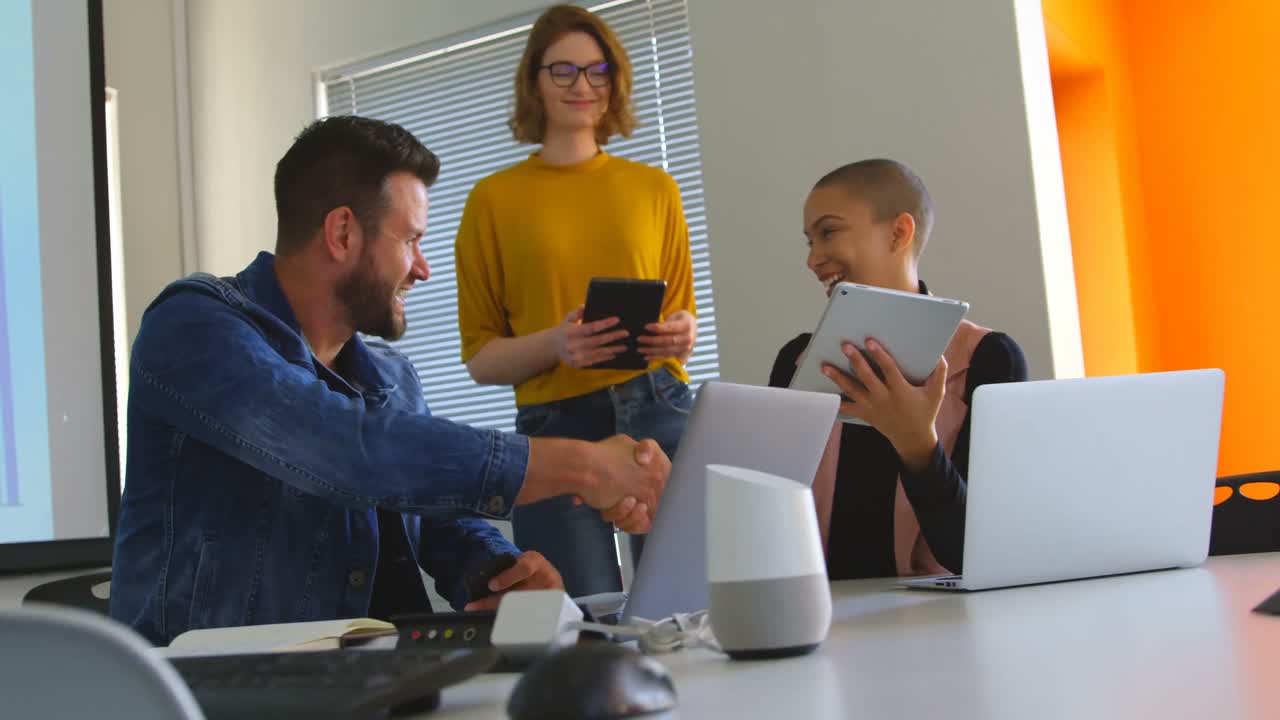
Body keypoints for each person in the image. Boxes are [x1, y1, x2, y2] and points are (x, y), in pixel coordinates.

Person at [110, 116, 669, 646]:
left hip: (378, 683)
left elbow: (438, 519)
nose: (423, 268)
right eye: (410, 241)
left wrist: (499, 572)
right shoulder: (192, 326)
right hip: (209, 695)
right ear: (343, 233)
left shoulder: (392, 376)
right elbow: (342, 447)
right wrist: (584, 465)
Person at [454, 5, 697, 597]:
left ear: (615, 82)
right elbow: (482, 359)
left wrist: (680, 333)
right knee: (578, 616)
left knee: (690, 606)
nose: (582, 85)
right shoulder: (492, 200)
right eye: (562, 70)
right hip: (553, 427)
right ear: (534, 80)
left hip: (658, 406)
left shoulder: (655, 189)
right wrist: (558, 343)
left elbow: (682, 317)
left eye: (598, 71)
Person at [768, 159, 1028, 580]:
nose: (813, 259)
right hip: (826, 624)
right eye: (809, 241)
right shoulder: (795, 362)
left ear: (899, 232)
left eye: (828, 232)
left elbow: (982, 554)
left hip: (944, 628)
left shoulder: (989, 358)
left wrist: (918, 448)